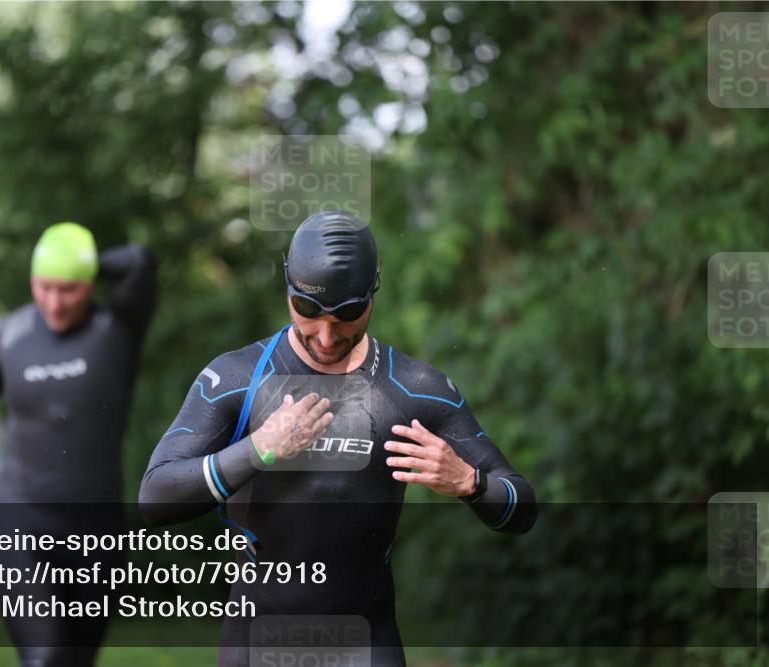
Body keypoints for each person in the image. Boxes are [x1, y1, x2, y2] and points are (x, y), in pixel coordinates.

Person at [139, 210, 537, 667]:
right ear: (288, 289)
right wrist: (258, 449)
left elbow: (523, 508)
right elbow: (156, 496)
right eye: (308, 310)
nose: (327, 335)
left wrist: (470, 482)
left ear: (373, 295)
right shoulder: (237, 378)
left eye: (348, 313)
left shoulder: (413, 387)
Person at [0, 222, 156, 667]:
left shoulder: (117, 328)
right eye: (45, 286)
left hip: (97, 531)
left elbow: (142, 261)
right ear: (31, 281)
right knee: (44, 658)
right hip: (22, 521)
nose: (55, 302)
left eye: (69, 288)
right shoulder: (10, 334)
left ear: (89, 284)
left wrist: (80, 259)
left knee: (75, 660)